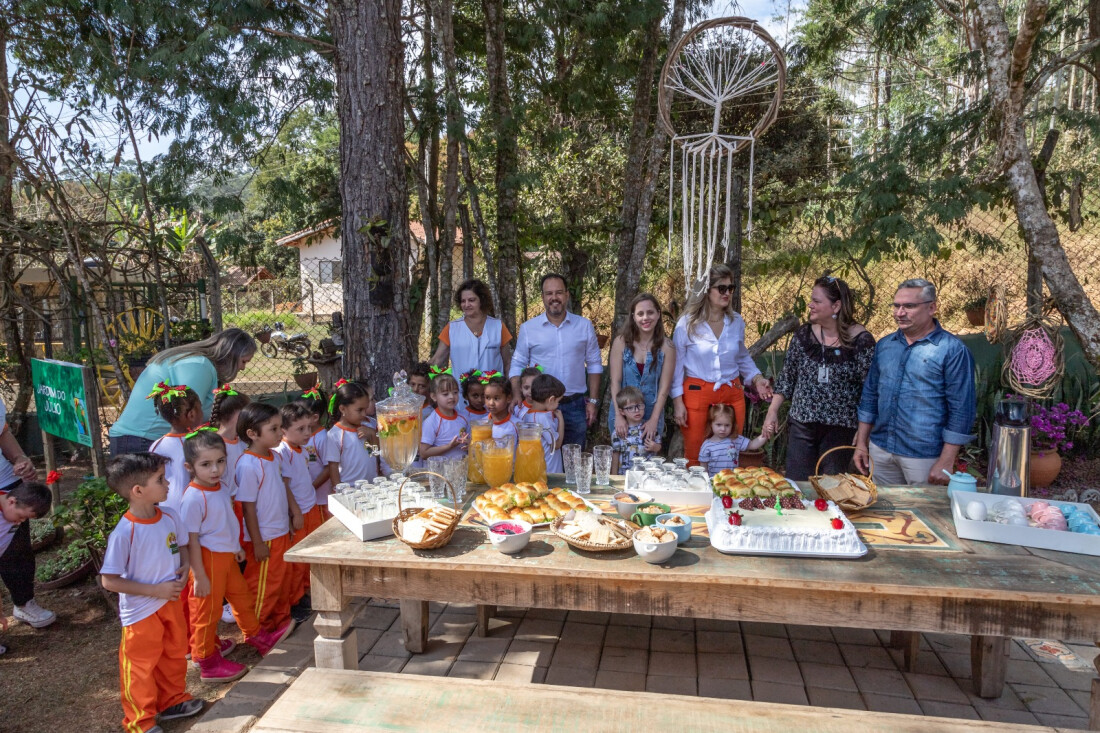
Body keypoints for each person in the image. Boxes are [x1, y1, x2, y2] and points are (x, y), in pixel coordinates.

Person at [101, 452, 205, 732]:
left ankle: (173, 701)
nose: (168, 483)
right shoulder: (124, 533)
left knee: (172, 655)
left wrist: (184, 566)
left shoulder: (169, 516)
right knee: (140, 667)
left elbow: (181, 545)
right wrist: (154, 590)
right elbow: (109, 581)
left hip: (169, 603)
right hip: (141, 613)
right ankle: (140, 720)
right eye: (160, 479)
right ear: (138, 491)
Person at [180, 429, 291, 681]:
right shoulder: (193, 498)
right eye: (206, 464)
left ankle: (256, 635)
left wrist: (236, 548)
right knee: (206, 612)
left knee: (241, 598)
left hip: (226, 558)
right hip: (207, 561)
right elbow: (191, 541)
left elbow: (226, 521)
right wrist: (198, 575)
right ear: (189, 466)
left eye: (220, 461)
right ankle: (206, 660)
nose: (215, 469)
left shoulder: (220, 486)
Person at [854, 279, 977, 485]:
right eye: (896, 306)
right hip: (881, 448)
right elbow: (870, 395)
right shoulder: (885, 346)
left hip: (923, 456)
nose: (900, 313)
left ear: (932, 308)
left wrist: (947, 459)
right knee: (886, 514)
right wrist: (861, 443)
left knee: (923, 514)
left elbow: (961, 409)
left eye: (909, 306)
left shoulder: (952, 350)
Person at [762, 276, 876, 480]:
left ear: (836, 305)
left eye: (816, 301)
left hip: (840, 430)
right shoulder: (804, 336)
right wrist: (772, 412)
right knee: (798, 485)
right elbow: (787, 377)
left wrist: (864, 431)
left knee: (831, 488)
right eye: (811, 300)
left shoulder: (860, 341)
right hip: (802, 426)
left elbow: (870, 390)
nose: (810, 305)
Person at [671, 265, 773, 466]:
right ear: (706, 291)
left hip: (732, 393)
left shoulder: (736, 321)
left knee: (729, 452)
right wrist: (677, 402)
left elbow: (742, 358)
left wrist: (758, 379)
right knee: (695, 454)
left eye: (731, 288)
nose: (727, 293)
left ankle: (726, 495)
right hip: (697, 393)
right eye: (721, 288)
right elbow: (676, 366)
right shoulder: (687, 323)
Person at [109, 328, 256, 454]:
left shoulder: (199, 364)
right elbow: (189, 416)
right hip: (141, 440)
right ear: (230, 355)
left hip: (141, 439)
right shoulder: (199, 365)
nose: (242, 368)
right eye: (243, 361)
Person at [509, 273, 603, 449]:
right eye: (549, 293)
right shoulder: (529, 328)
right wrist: (516, 394)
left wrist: (593, 401)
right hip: (539, 408)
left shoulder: (583, 326)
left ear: (567, 295)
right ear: (543, 297)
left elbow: (594, 364)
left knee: (573, 459)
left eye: (559, 292)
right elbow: (517, 364)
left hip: (575, 405)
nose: (554, 298)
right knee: (542, 459)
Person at [236, 403, 299, 633]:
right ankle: (257, 630)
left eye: (280, 427)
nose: (280, 433)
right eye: (273, 429)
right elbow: (248, 508)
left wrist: (290, 517)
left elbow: (281, 489)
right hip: (265, 538)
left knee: (280, 582)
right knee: (264, 585)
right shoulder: (248, 464)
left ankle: (280, 623)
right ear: (252, 434)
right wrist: (258, 542)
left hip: (280, 531)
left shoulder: (273, 456)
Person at [0, 397, 55, 632]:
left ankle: (24, 603)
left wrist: (20, 458)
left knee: (18, 550)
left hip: (5, 482)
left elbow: (2, 433)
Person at [608, 293, 676, 450]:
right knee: (622, 457)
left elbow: (664, 388)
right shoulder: (621, 342)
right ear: (633, 316)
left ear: (658, 314)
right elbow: (615, 381)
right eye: (640, 313)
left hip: (652, 412)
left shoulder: (667, 346)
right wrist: (619, 415)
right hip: (623, 412)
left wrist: (654, 419)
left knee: (647, 459)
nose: (645, 318)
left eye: (650, 312)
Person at [275, 402, 323, 622]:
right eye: (300, 429)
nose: (307, 433)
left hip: (309, 508)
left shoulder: (301, 449)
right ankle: (295, 600)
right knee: (296, 560)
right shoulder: (282, 452)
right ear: (284, 430)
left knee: (308, 556)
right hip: (299, 513)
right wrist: (295, 512)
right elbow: (284, 485)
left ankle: (305, 591)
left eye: (308, 427)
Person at [430, 278, 513, 389]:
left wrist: (510, 389)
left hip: (493, 394)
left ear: (481, 300)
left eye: (471, 300)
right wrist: (419, 373)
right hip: (461, 395)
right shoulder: (452, 328)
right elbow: (437, 360)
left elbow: (507, 362)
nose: (466, 304)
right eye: (463, 301)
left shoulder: (498, 327)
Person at [0, 482, 52, 653]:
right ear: (12, 501)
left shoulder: (10, 511)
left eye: (25, 519)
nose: (21, 522)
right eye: (21, 516)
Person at [148, 383, 203, 512]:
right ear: (192, 414)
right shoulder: (200, 441)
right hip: (198, 508)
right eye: (200, 408)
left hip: (168, 509)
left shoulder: (156, 445)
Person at [327, 380, 379, 484]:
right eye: (359, 410)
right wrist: (338, 490)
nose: (364, 414)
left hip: (372, 487)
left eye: (365, 409)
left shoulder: (369, 426)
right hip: (350, 491)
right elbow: (333, 466)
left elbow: (375, 453)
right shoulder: (334, 435)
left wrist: (373, 434)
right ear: (342, 409)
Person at [698, 404, 769, 475]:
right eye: (719, 425)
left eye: (727, 425)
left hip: (732, 482)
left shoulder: (735, 439)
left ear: (732, 425)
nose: (723, 429)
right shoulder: (707, 445)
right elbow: (703, 467)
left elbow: (753, 445)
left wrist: (766, 434)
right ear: (711, 424)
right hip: (714, 483)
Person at [298, 387, 335, 512]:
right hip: (308, 497)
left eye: (301, 415)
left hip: (322, 498)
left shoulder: (322, 438)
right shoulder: (300, 437)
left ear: (314, 418)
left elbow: (329, 467)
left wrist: (312, 487)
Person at [610, 386, 662, 474]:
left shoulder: (649, 428)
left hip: (647, 475)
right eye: (630, 408)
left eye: (639, 406)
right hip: (625, 476)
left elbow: (659, 447)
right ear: (622, 412)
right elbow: (615, 455)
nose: (637, 410)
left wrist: (655, 447)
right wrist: (614, 477)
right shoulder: (618, 432)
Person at [419, 372, 470, 460]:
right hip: (440, 472)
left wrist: (469, 444)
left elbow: (471, 440)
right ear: (434, 396)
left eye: (455, 392)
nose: (452, 397)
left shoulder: (464, 417)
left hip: (462, 469)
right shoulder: (431, 422)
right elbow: (424, 453)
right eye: (445, 394)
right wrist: (449, 446)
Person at [526, 373, 565, 473]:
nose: (558, 405)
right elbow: (556, 445)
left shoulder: (528, 414)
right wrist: (561, 420)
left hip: (538, 468)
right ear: (551, 399)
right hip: (550, 470)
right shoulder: (543, 418)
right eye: (558, 401)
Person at [484, 374, 520, 444]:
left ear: (508, 398)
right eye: (487, 398)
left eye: (496, 398)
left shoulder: (517, 425)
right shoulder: (482, 424)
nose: (491, 403)